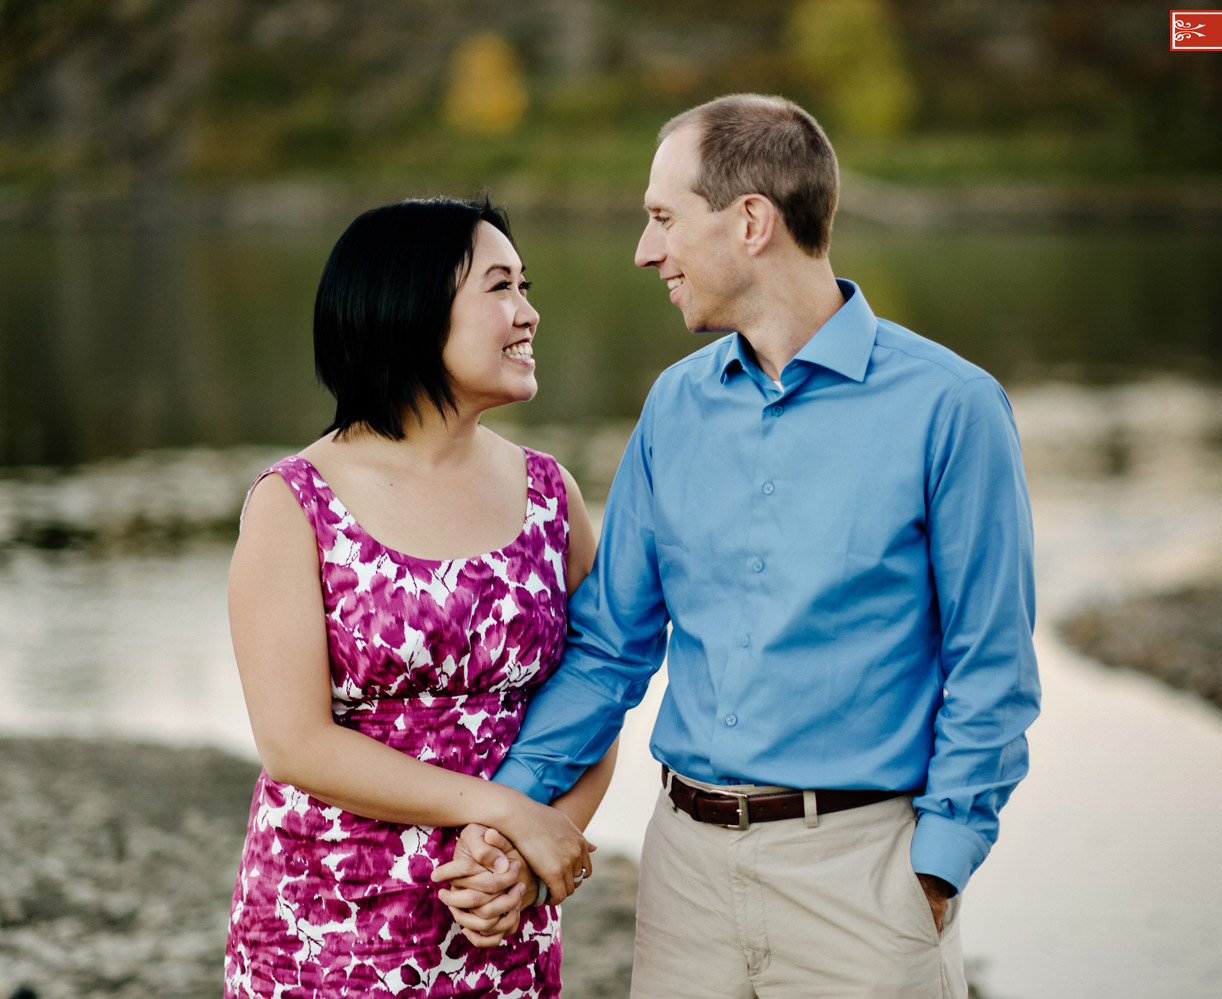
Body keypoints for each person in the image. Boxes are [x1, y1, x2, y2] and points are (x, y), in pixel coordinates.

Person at [438, 94, 1041, 998]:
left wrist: (936, 869)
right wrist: (510, 813)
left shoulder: (951, 409)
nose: (646, 251)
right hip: (682, 874)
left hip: (864, 880)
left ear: (751, 221)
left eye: (663, 219)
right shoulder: (673, 408)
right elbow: (609, 648)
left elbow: (990, 667)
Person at [223, 195, 617, 999]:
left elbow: (596, 692)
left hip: (497, 917)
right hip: (327, 930)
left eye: (526, 286)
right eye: (501, 287)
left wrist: (531, 858)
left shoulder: (550, 493)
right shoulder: (296, 501)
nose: (529, 312)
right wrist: (510, 814)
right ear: (412, 308)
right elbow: (295, 742)